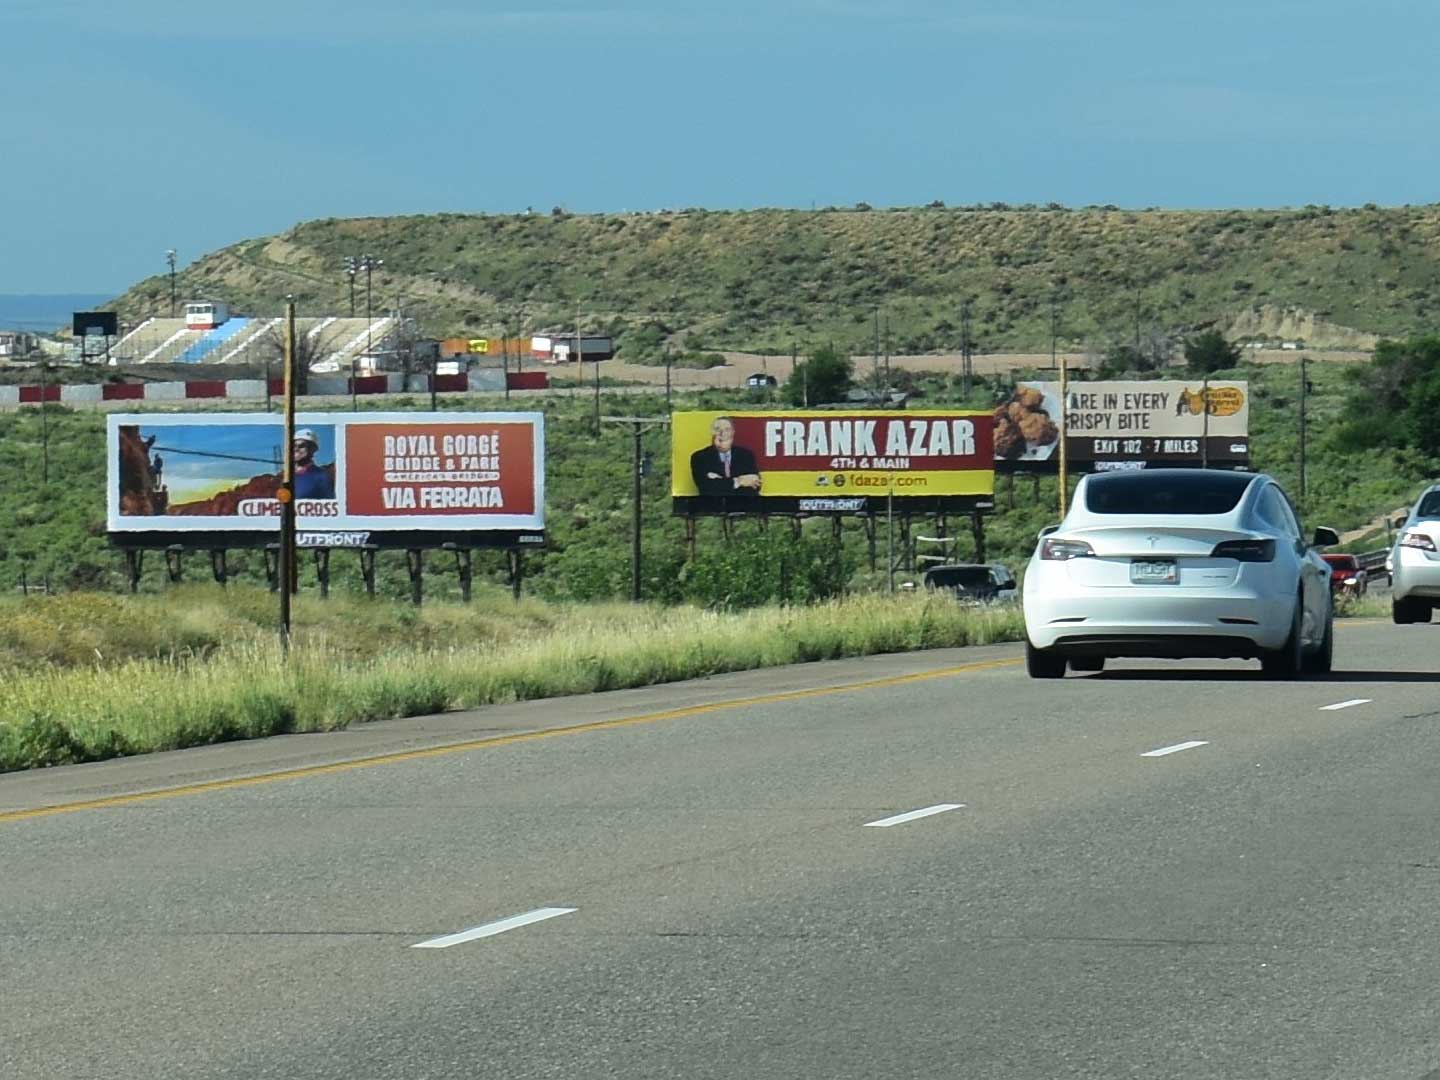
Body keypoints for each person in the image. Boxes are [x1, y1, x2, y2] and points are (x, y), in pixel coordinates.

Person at [690, 416, 761, 496]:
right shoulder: (700, 457)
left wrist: (720, 482)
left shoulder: (746, 455)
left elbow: (755, 486)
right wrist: (738, 481)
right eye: (717, 429)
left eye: (727, 429)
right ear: (712, 432)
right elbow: (706, 487)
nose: (722, 433)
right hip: (713, 506)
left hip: (743, 505)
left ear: (733, 432)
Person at [293, 428, 336, 500]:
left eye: (302, 446)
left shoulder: (322, 477)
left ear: (313, 449)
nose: (296, 449)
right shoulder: (286, 476)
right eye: (294, 446)